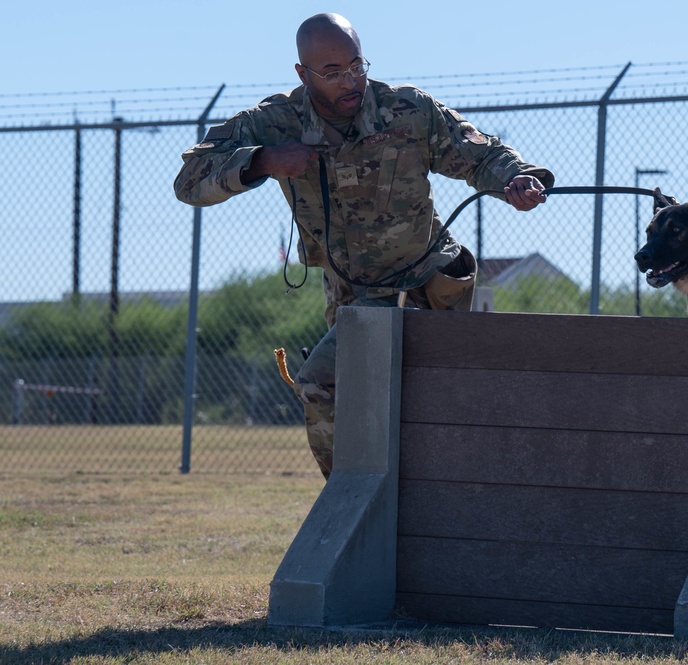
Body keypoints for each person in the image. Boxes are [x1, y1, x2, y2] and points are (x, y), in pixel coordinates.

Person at [174, 13, 554, 479]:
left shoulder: (408, 110)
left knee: (347, 384)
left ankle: (402, 496)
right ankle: (355, 504)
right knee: (345, 394)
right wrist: (264, 160)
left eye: (357, 65)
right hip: (352, 294)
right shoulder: (274, 123)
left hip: (427, 278)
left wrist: (518, 180)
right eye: (333, 73)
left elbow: (481, 153)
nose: (351, 80)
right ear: (303, 74)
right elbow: (189, 182)